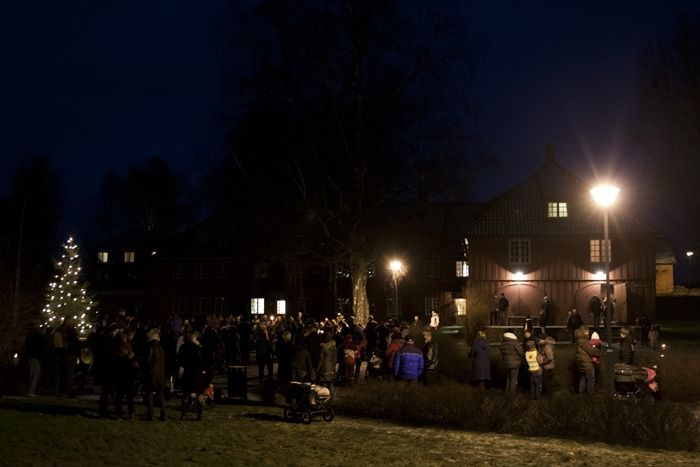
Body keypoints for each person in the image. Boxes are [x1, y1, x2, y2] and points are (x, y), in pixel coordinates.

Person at [177, 330, 205, 421]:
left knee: (185, 393)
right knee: (199, 393)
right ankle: (200, 414)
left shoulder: (183, 347)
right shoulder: (196, 347)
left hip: (188, 372)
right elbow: (202, 359)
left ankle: (183, 414)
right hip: (196, 372)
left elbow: (180, 360)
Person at [143, 329, 167, 421]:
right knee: (160, 394)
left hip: (151, 374)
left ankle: (150, 414)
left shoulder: (150, 346)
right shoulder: (161, 347)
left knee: (149, 394)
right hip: (160, 374)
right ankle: (163, 414)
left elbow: (148, 361)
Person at [575, 326, 600, 395]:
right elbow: (591, 351)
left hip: (581, 363)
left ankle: (581, 393)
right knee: (591, 379)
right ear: (585, 332)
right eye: (588, 332)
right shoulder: (584, 341)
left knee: (583, 379)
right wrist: (598, 352)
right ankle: (590, 393)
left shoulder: (579, 340)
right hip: (587, 364)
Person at [24, 323, 44, 397]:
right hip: (35, 356)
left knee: (32, 372)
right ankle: (32, 390)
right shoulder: (36, 335)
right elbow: (39, 346)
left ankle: (30, 390)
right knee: (36, 372)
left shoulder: (29, 335)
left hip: (30, 356)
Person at [316, 332, 337, 399]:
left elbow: (320, 360)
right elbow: (335, 359)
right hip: (331, 368)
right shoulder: (334, 347)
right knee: (330, 383)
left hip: (324, 368)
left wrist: (317, 369)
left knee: (323, 384)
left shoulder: (322, 348)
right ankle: (333, 397)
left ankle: (324, 398)